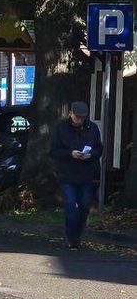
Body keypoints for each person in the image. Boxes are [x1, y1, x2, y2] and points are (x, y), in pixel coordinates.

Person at [48, 100, 103, 250]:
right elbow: (54, 151)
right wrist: (70, 154)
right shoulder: (61, 128)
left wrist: (90, 155)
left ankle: (77, 234)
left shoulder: (92, 128)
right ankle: (72, 238)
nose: (79, 120)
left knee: (84, 206)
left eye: (82, 118)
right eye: (77, 117)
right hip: (67, 173)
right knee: (70, 205)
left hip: (87, 173)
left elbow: (99, 148)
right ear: (70, 114)